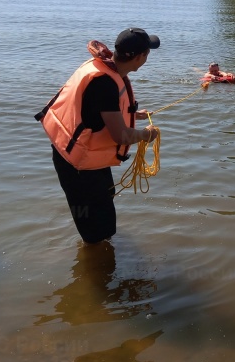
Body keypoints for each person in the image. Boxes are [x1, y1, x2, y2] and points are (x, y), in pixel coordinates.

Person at [35, 28, 160, 244]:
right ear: (141, 57)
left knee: (102, 214)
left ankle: (97, 257)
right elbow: (121, 136)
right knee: (96, 229)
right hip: (76, 166)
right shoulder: (104, 83)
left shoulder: (102, 68)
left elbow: (98, 111)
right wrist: (145, 134)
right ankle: (94, 266)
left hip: (79, 155)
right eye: (147, 53)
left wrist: (133, 115)